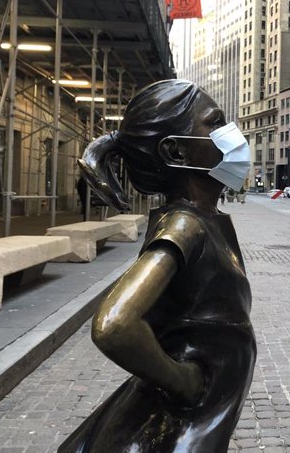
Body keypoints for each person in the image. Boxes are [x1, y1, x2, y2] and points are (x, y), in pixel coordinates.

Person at [59, 80, 255, 452]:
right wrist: (185, 383)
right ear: (176, 150)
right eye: (215, 123)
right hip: (182, 424)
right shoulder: (185, 225)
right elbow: (114, 325)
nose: (232, 135)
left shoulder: (203, 219)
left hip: (205, 411)